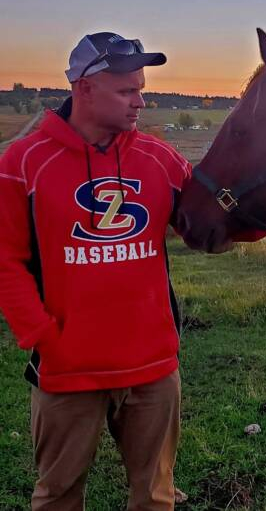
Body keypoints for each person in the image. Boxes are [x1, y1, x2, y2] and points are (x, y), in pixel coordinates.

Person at [0, 32, 191, 510]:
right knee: (58, 497)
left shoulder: (159, 158)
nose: (140, 101)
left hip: (153, 369)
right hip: (68, 373)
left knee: (155, 498)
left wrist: (260, 212)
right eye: (127, 91)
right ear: (84, 89)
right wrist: (44, 337)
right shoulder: (23, 164)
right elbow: (5, 261)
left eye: (141, 89)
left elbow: (209, 224)